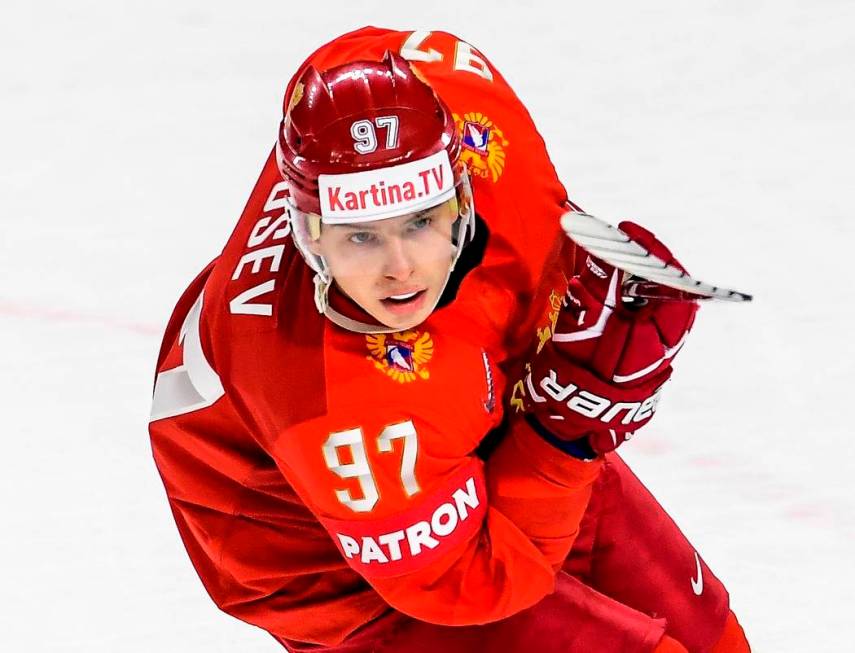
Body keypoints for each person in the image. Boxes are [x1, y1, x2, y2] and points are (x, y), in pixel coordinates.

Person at [148, 26, 750, 652]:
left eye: (420, 221)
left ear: (462, 191)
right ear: (310, 233)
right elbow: (475, 585)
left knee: (710, 637)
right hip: (327, 559)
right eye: (361, 236)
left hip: (451, 418)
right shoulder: (339, 412)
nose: (400, 267)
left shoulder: (439, 97)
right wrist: (564, 434)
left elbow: (353, 62)